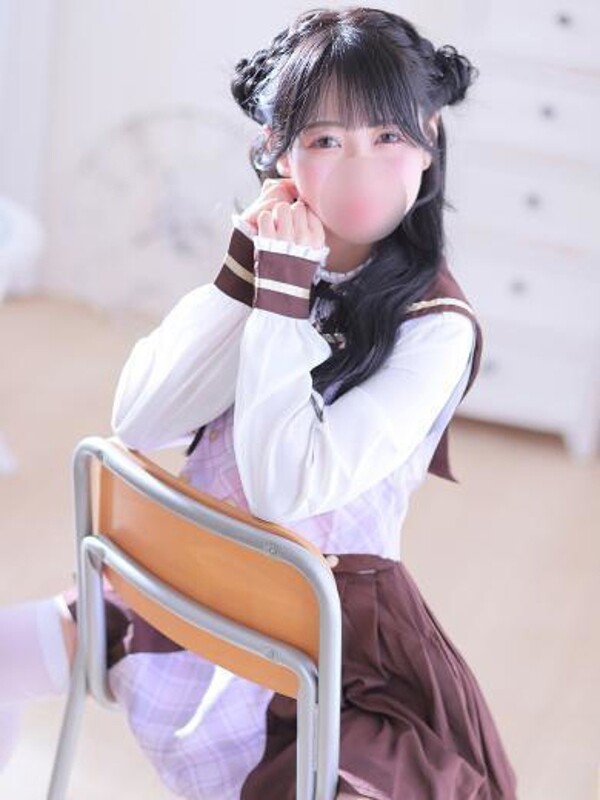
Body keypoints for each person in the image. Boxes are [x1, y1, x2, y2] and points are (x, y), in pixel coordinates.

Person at [0, 7, 519, 798]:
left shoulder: (436, 328)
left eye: (388, 135)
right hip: (182, 590)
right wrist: (249, 275)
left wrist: (281, 300)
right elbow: (139, 420)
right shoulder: (278, 255)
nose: (361, 170)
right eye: (325, 140)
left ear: (430, 136)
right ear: (277, 151)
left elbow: (287, 491)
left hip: (322, 643)